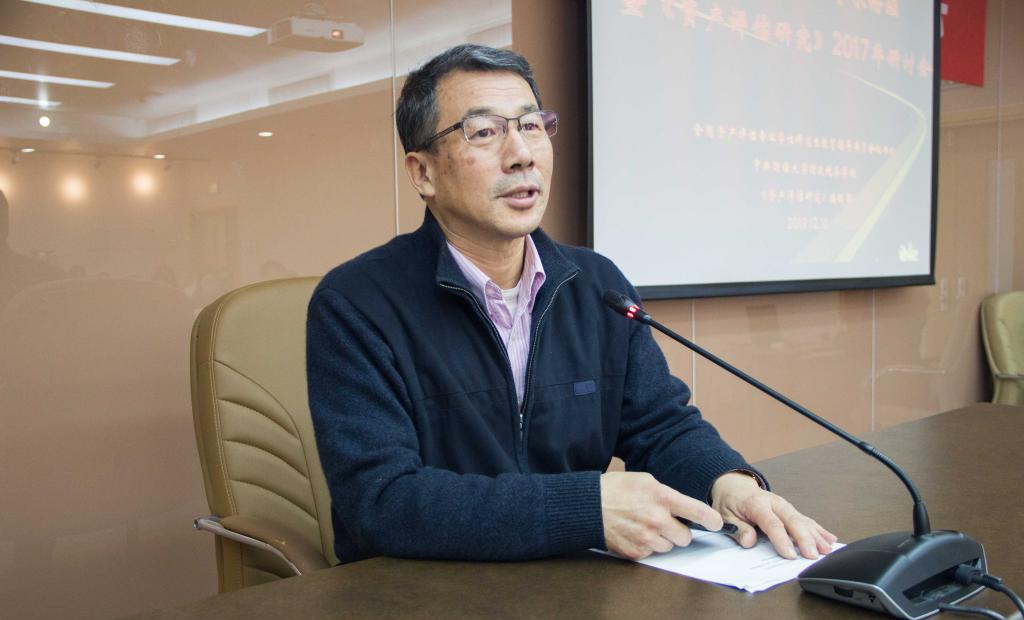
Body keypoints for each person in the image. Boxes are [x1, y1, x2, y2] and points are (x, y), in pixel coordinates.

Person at [307, 44, 836, 564]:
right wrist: (585, 509)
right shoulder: (357, 304)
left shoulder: (596, 285)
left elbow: (660, 427)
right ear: (423, 172)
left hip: (570, 591)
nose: (521, 154)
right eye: (485, 132)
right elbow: (381, 500)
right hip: (419, 597)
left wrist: (728, 482)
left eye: (531, 125)